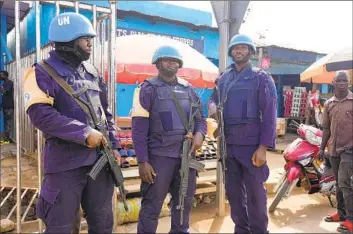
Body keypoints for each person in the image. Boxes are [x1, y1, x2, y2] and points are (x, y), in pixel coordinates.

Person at [23, 12, 121, 233]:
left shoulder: (92, 73)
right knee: (62, 227)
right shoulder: (40, 72)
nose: (90, 44)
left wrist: (114, 145)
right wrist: (83, 133)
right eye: (85, 39)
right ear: (67, 39)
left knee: (103, 223)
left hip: (100, 162)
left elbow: (105, 113)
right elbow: (41, 115)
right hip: (64, 165)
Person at [131, 45, 207, 233]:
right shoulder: (146, 89)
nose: (172, 63)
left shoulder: (189, 90)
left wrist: (200, 135)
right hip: (159, 159)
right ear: (157, 63)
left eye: (175, 61)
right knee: (151, 208)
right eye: (167, 60)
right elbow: (138, 130)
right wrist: (142, 161)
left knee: (183, 206)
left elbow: (200, 120)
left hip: (186, 158)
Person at [208, 34, 277, 234]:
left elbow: (270, 114)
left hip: (252, 148)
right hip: (229, 147)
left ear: (250, 51)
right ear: (231, 52)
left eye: (243, 48)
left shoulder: (261, 78)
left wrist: (263, 147)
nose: (238, 51)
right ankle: (241, 229)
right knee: (234, 195)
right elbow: (212, 99)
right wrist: (213, 108)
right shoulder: (223, 78)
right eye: (235, 48)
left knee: (256, 195)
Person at [319, 70, 353, 234]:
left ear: (349, 82)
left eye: (344, 80)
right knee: (339, 184)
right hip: (333, 150)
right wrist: (321, 147)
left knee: (345, 184)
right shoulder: (329, 104)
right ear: (333, 82)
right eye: (338, 80)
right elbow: (326, 129)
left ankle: (351, 220)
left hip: (349, 149)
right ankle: (341, 214)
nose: (341, 83)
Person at [0, 70, 14, 144]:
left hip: (9, 106)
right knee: (6, 122)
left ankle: (7, 139)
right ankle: (6, 138)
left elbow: (6, 92)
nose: (0, 76)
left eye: (1, 75)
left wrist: (1, 88)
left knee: (8, 123)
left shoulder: (9, 82)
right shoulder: (4, 83)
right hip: (5, 106)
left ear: (6, 75)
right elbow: (4, 96)